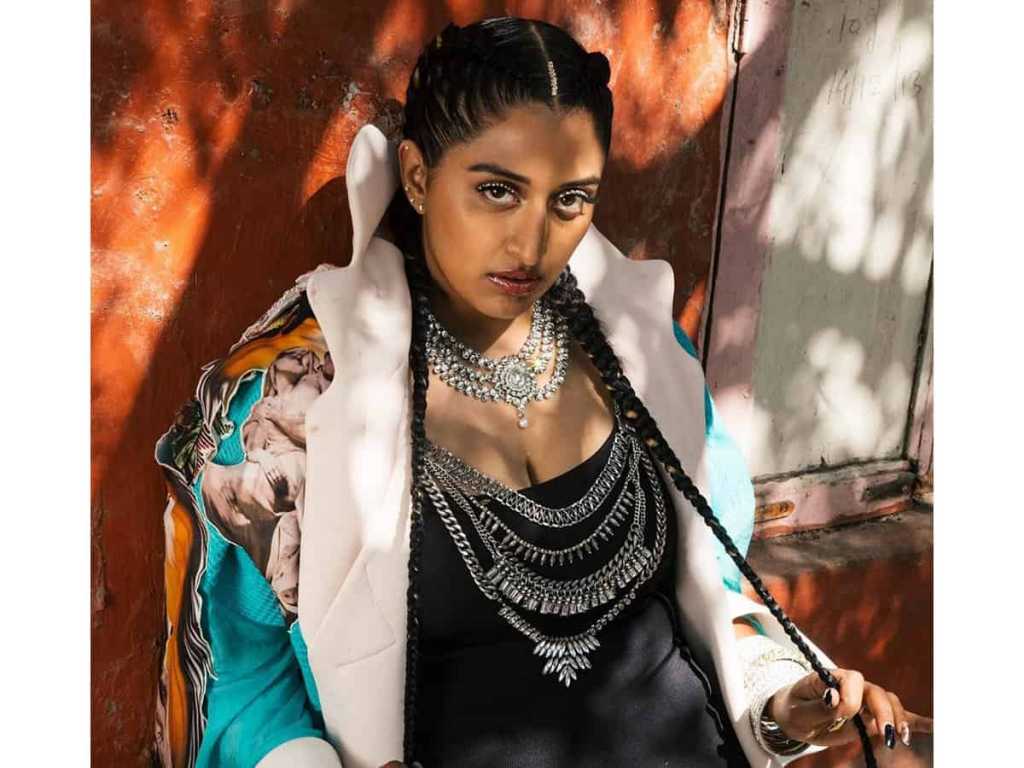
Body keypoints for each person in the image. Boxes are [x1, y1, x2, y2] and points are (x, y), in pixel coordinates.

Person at [153, 16, 932, 768]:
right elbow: (237, 681)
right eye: (497, 191)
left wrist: (786, 706)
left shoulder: (641, 353)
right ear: (419, 176)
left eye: (570, 199)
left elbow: (708, 595)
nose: (531, 243)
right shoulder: (296, 403)